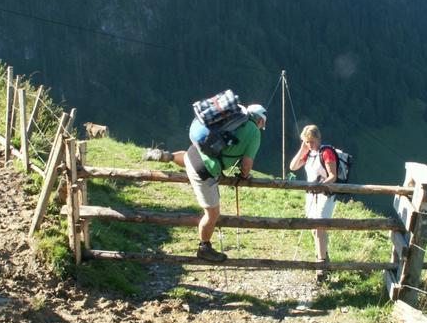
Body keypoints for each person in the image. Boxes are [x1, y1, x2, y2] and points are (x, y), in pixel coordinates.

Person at [143, 104, 267, 262]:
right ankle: (204, 247)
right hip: (204, 170)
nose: (261, 126)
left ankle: (167, 156)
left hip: (194, 151)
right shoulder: (254, 132)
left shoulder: (234, 119)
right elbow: (246, 165)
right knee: (212, 214)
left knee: (190, 158)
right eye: (262, 123)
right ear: (259, 120)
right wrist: (244, 175)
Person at [289, 124, 337, 282]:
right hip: (311, 194)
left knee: (319, 226)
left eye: (312, 141)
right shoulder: (308, 153)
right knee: (313, 228)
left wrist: (320, 186)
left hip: (325, 195)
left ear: (318, 138)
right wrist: (302, 150)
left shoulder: (326, 152)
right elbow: (293, 166)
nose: (310, 144)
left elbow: (333, 176)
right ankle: (323, 256)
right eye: (307, 141)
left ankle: (321, 265)